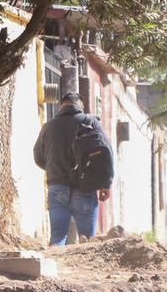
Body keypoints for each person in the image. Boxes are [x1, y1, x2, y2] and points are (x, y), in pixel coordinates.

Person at [32, 92, 115, 247]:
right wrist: (106, 184)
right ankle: (87, 271)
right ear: (80, 106)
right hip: (85, 188)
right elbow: (106, 152)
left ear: (61, 106)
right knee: (88, 241)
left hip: (57, 188)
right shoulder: (90, 121)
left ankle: (53, 270)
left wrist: (54, 169)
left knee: (57, 238)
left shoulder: (48, 127)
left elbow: (38, 157)